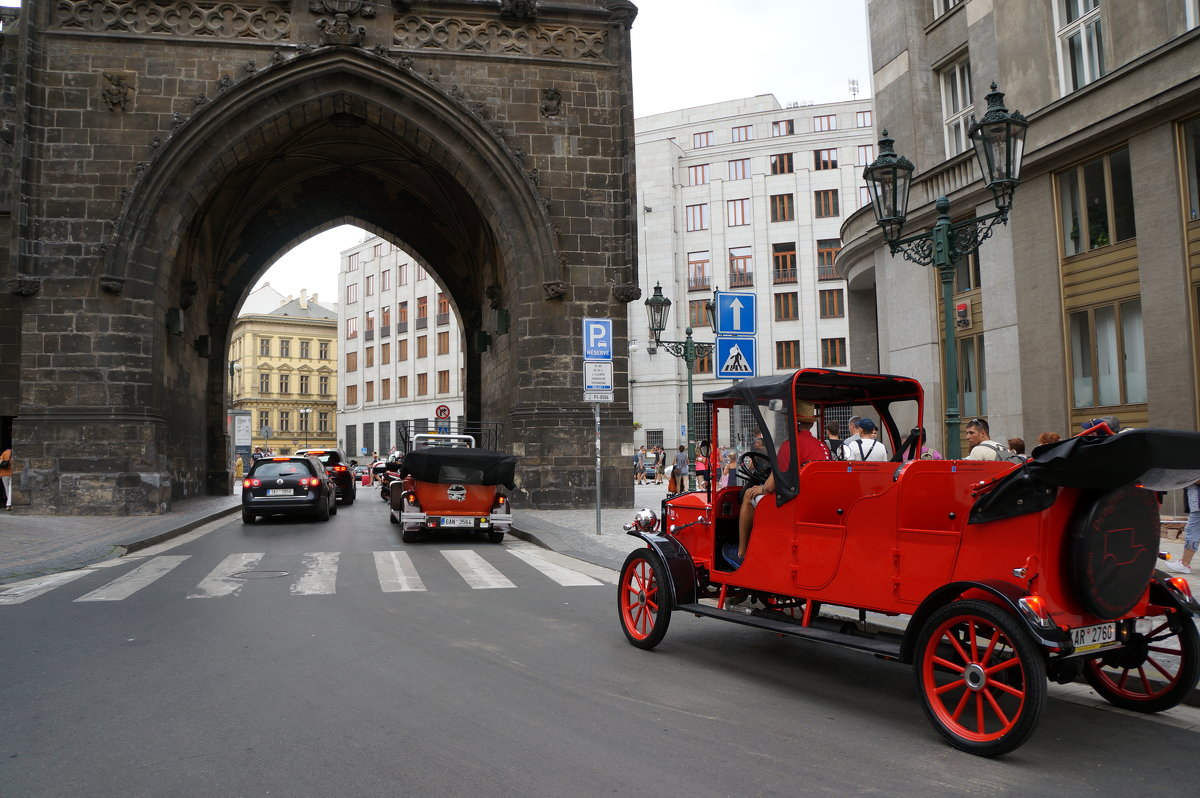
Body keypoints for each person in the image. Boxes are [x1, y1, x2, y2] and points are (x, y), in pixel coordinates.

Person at [726, 401, 829, 568]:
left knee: (748, 495)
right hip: (814, 502)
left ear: (793, 422)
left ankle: (742, 553)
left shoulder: (790, 445)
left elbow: (771, 486)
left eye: (787, 419)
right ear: (810, 423)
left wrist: (762, 488)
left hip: (793, 504)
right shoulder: (822, 446)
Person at [1165, 481, 1200, 575]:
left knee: (1192, 531)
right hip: (1196, 505)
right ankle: (1184, 563)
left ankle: (1185, 564)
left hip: (1198, 506)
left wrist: (1190, 479)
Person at [1, 444, 12, 510]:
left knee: (7, 488)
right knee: (11, 489)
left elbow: (0, 462)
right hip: (12, 473)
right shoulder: (14, 453)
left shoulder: (4, 453)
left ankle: (9, 505)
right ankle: (9, 504)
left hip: (4, 473)